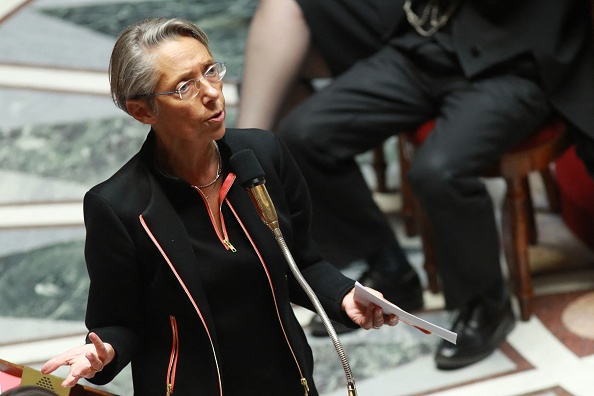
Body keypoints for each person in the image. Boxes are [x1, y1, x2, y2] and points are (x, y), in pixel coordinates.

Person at [40, 17, 400, 396]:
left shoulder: (263, 156)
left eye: (210, 71)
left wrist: (344, 295)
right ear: (143, 111)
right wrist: (103, 353)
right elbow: (117, 322)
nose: (211, 92)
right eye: (185, 86)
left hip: (285, 379)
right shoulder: (117, 205)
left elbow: (301, 262)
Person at [237, 0, 594, 370]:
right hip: (430, 46)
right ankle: (390, 267)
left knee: (438, 172)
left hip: (515, 63)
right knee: (305, 135)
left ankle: (485, 304)